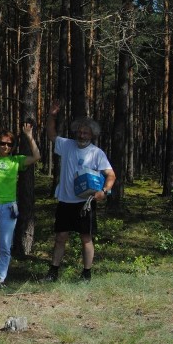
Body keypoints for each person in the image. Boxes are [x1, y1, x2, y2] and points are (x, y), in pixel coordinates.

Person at [44, 100, 116, 282]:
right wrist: (52, 115)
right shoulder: (67, 145)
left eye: (86, 132)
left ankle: (86, 273)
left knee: (86, 238)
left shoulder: (97, 153)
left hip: (86, 203)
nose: (82, 135)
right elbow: (51, 134)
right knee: (60, 237)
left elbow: (111, 175)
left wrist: (105, 192)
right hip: (65, 201)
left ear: (92, 135)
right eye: (80, 131)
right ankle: (53, 272)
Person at [0, 123, 41, 288]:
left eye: (9, 144)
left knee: (6, 245)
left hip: (9, 207)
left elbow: (36, 156)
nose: (5, 146)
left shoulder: (16, 160)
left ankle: (0, 280)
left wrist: (29, 136)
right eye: (2, 143)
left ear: (13, 146)